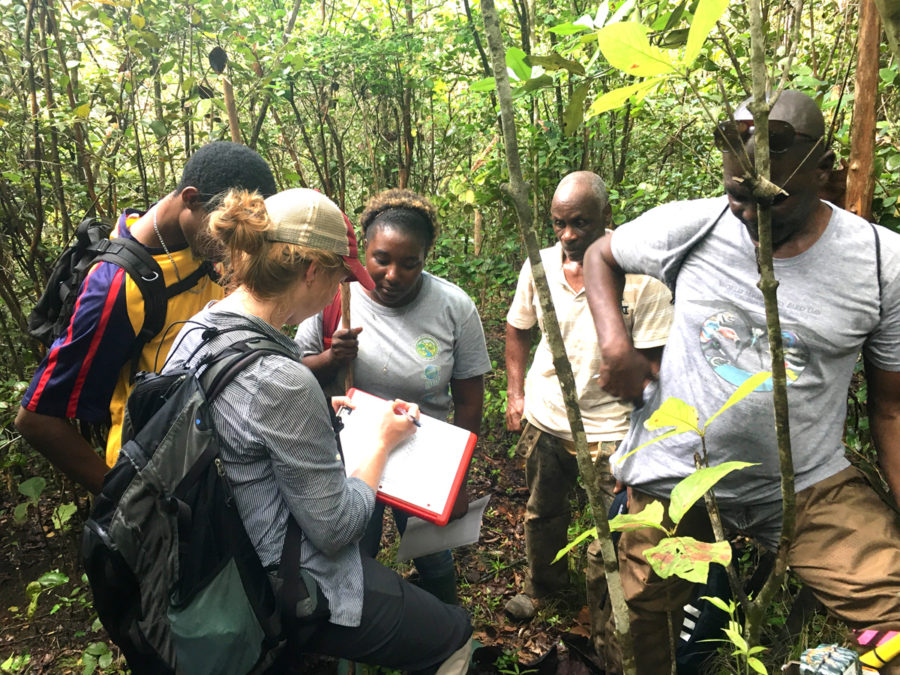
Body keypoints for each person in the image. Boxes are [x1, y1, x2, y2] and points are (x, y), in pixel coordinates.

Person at [583, 90, 900, 673]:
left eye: (773, 199)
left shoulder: (882, 263)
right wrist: (615, 343)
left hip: (803, 483)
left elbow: (893, 409)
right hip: (676, 474)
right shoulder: (694, 225)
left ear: (825, 171)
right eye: (738, 196)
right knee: (639, 627)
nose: (751, 214)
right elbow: (600, 254)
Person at [163, 187, 472, 673]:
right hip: (286, 578)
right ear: (312, 271)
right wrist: (380, 442)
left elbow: (237, 423)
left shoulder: (200, 329)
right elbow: (339, 527)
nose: (341, 292)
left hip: (210, 552)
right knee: (453, 635)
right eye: (340, 278)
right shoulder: (281, 378)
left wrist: (317, 409)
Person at [15, 142, 277, 495]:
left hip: (209, 469)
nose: (233, 250)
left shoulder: (198, 247)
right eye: (225, 232)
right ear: (190, 199)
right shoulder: (117, 287)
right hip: (151, 482)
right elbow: (36, 419)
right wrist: (126, 500)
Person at [295, 188, 491, 605]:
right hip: (350, 459)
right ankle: (358, 630)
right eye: (381, 259)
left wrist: (458, 479)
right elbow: (295, 372)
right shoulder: (334, 296)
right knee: (354, 549)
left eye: (410, 263)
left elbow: (471, 400)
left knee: (434, 558)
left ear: (426, 257)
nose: (393, 274)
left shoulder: (454, 308)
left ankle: (447, 631)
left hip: (424, 460)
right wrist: (332, 356)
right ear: (364, 250)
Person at [503, 172, 673, 650]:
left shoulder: (642, 279)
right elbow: (518, 329)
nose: (569, 235)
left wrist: (642, 443)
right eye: (559, 224)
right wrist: (516, 394)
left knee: (616, 534)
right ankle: (542, 587)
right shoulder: (539, 266)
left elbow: (658, 365)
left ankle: (609, 628)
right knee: (542, 511)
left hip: (612, 429)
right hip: (548, 414)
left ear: (606, 218)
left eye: (581, 223)